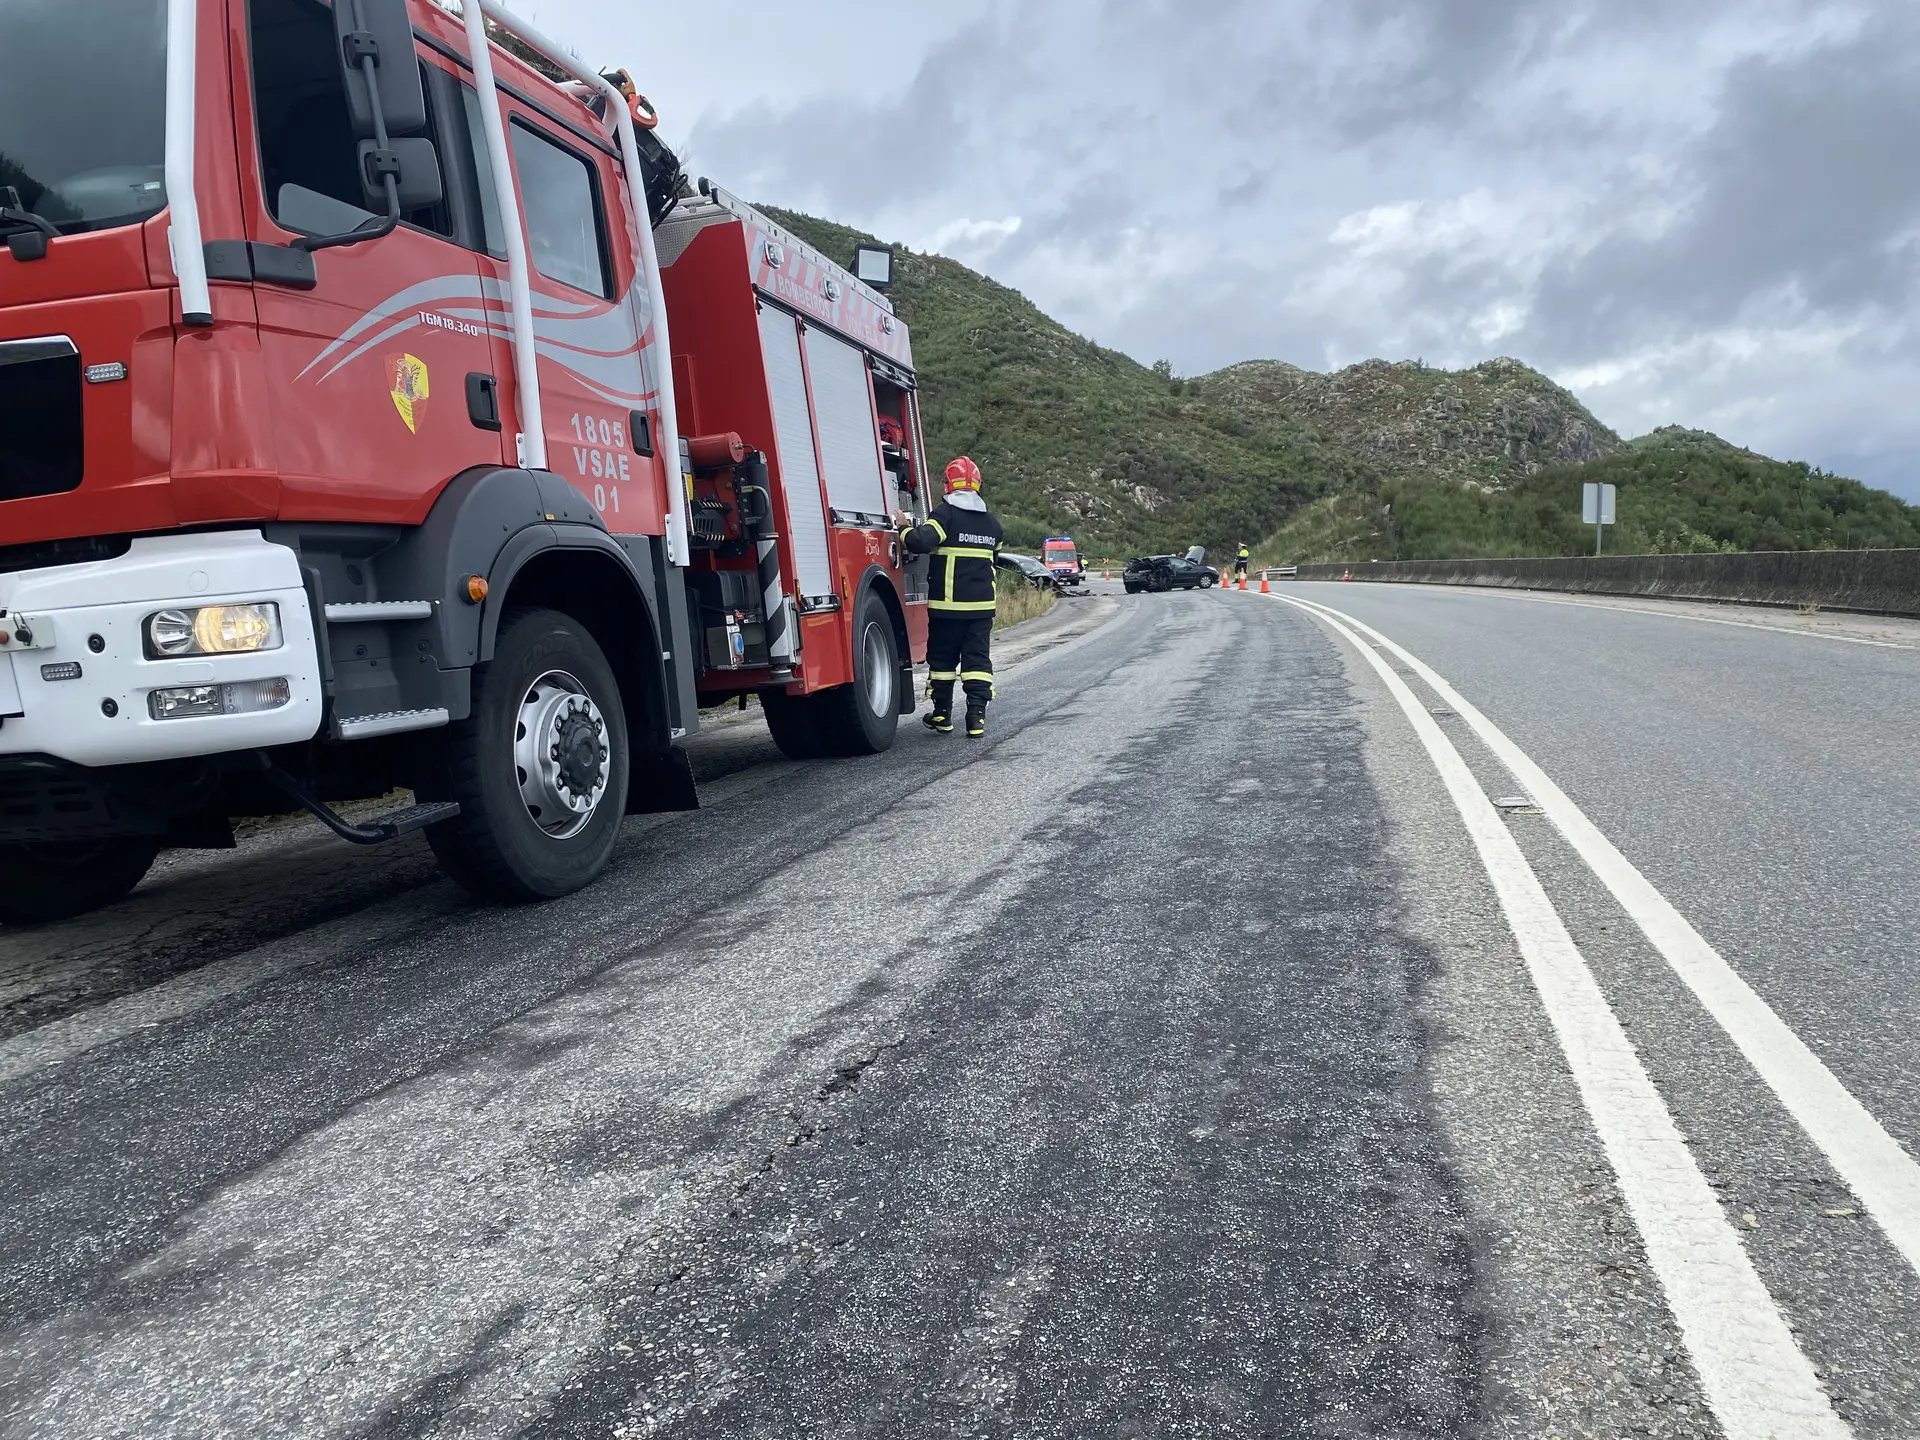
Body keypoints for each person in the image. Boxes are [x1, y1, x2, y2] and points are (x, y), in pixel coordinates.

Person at [896, 456, 1003, 738]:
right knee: (977, 661)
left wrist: (903, 527)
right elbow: (995, 557)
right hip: (982, 608)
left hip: (948, 608)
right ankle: (976, 718)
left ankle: (942, 715)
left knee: (943, 661)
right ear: (978, 484)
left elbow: (921, 541)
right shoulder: (992, 522)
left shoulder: (946, 514)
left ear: (948, 483)